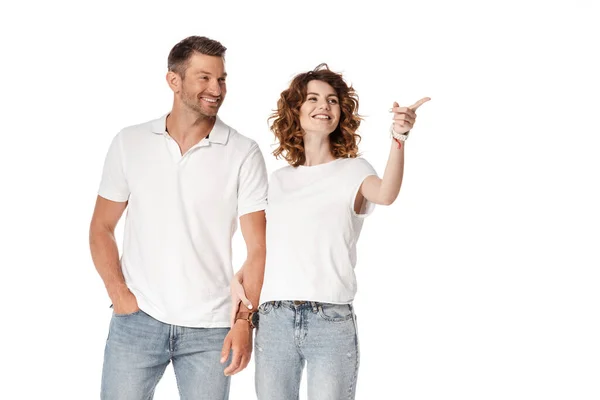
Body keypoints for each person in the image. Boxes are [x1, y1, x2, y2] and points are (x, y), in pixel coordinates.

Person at [231, 63, 430, 399]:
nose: (324, 105)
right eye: (312, 98)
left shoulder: (354, 171)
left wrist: (399, 139)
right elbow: (270, 247)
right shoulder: (277, 181)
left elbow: (386, 194)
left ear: (341, 112)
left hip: (330, 320)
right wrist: (241, 281)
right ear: (296, 110)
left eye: (332, 100)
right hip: (274, 318)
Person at [89, 36, 267, 400]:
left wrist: (243, 322)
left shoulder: (243, 152)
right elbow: (101, 228)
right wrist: (119, 295)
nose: (216, 89)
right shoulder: (130, 142)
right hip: (137, 321)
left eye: (221, 79)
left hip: (210, 329)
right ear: (174, 81)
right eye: (204, 78)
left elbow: (259, 248)